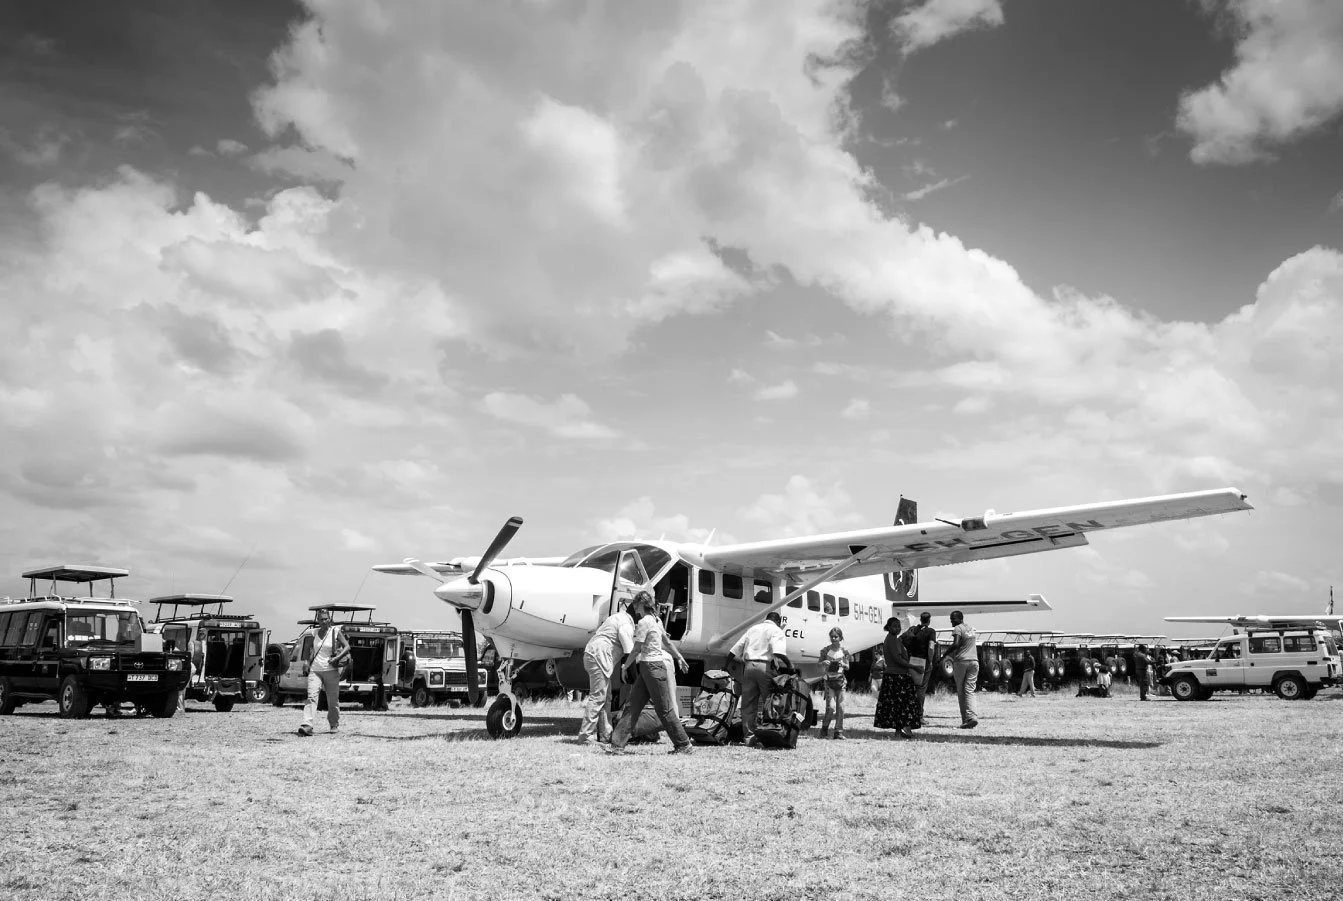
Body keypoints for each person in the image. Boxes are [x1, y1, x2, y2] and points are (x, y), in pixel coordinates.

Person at [607, 596, 693, 755]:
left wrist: (625, 666)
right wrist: (679, 657)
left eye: (635, 604)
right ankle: (616, 745)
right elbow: (667, 643)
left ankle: (684, 744)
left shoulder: (644, 622)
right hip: (650, 668)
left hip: (652, 668)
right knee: (632, 706)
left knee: (664, 710)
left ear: (641, 604)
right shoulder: (655, 620)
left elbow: (636, 648)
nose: (634, 607)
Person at [577, 600, 636, 743]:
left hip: (593, 654)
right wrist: (635, 679)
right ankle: (585, 736)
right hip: (599, 657)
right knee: (598, 697)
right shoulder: (626, 624)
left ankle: (605, 734)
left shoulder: (617, 617)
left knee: (606, 697)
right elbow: (629, 654)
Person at [725, 611, 786, 747]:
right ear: (778, 622)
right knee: (770, 702)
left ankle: (749, 738)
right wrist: (789, 665)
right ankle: (773, 735)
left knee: (748, 705)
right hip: (765, 667)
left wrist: (726, 665)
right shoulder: (776, 630)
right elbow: (778, 652)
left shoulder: (753, 628)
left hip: (748, 667)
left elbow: (735, 649)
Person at [298, 609, 350, 737]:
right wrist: (306, 662)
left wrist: (337, 658)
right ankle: (307, 725)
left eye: (326, 619)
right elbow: (309, 650)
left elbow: (347, 647)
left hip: (331, 670)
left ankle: (334, 724)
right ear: (318, 620)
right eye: (321, 619)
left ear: (330, 619)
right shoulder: (314, 632)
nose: (324, 621)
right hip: (315, 670)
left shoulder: (335, 631)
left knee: (332, 700)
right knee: (311, 697)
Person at [873, 618, 920, 738]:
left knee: (897, 705)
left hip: (895, 675)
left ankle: (900, 730)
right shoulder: (892, 639)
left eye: (898, 626)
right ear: (888, 627)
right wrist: (913, 667)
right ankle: (904, 728)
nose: (897, 628)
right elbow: (897, 659)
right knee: (904, 704)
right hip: (897, 676)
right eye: (894, 626)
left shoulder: (894, 639)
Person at [903, 611, 937, 726]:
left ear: (920, 619)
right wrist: (930, 661)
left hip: (911, 661)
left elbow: (901, 640)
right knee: (921, 689)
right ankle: (919, 716)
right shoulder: (930, 631)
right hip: (923, 662)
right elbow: (931, 647)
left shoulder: (913, 629)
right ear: (929, 620)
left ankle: (908, 714)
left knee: (911, 688)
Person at [947, 610, 979, 729]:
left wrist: (944, 655)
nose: (951, 621)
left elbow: (955, 644)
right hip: (974, 662)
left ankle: (966, 719)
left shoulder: (957, 629)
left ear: (960, 618)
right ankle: (973, 717)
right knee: (970, 690)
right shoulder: (971, 629)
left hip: (961, 662)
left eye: (953, 619)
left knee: (961, 691)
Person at [817, 627, 851, 739]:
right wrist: (823, 662)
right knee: (831, 707)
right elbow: (818, 664)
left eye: (836, 636)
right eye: (831, 636)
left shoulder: (845, 651)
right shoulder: (825, 650)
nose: (833, 638)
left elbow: (848, 667)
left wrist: (843, 664)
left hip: (841, 682)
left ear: (840, 637)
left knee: (840, 707)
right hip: (829, 682)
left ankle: (838, 732)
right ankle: (824, 729)